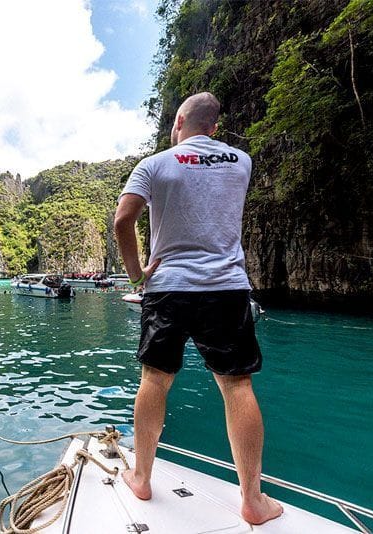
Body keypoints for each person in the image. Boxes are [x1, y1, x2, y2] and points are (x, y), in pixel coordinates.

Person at [113, 92, 283, 525]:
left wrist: (137, 274)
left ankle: (143, 477)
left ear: (179, 121)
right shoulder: (240, 161)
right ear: (214, 126)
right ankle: (252, 499)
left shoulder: (154, 165)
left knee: (154, 380)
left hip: (167, 287)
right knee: (237, 387)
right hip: (225, 288)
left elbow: (122, 221)